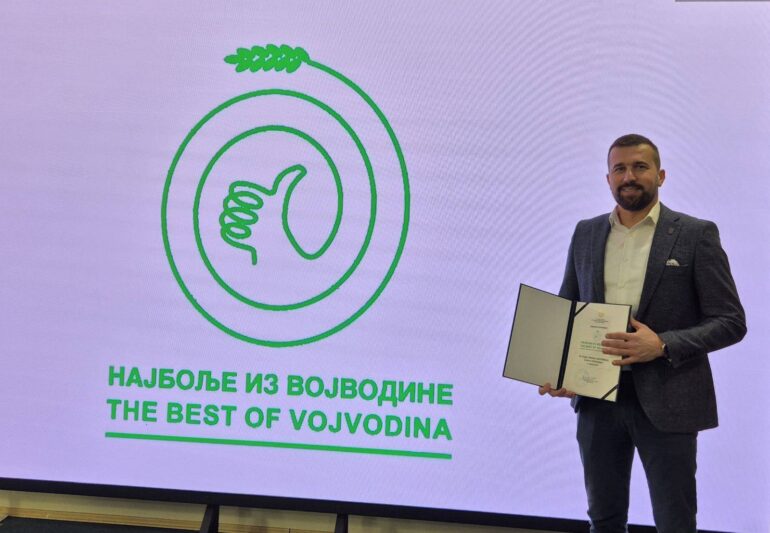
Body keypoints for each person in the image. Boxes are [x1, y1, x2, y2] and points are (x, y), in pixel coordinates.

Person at [539, 134, 746, 533]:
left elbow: (731, 320)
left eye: (639, 167)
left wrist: (663, 344)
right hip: (597, 400)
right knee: (604, 519)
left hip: (670, 399)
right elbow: (567, 309)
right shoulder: (586, 233)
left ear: (660, 175)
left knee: (674, 522)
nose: (629, 177)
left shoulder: (695, 234)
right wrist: (559, 369)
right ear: (608, 179)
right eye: (619, 169)